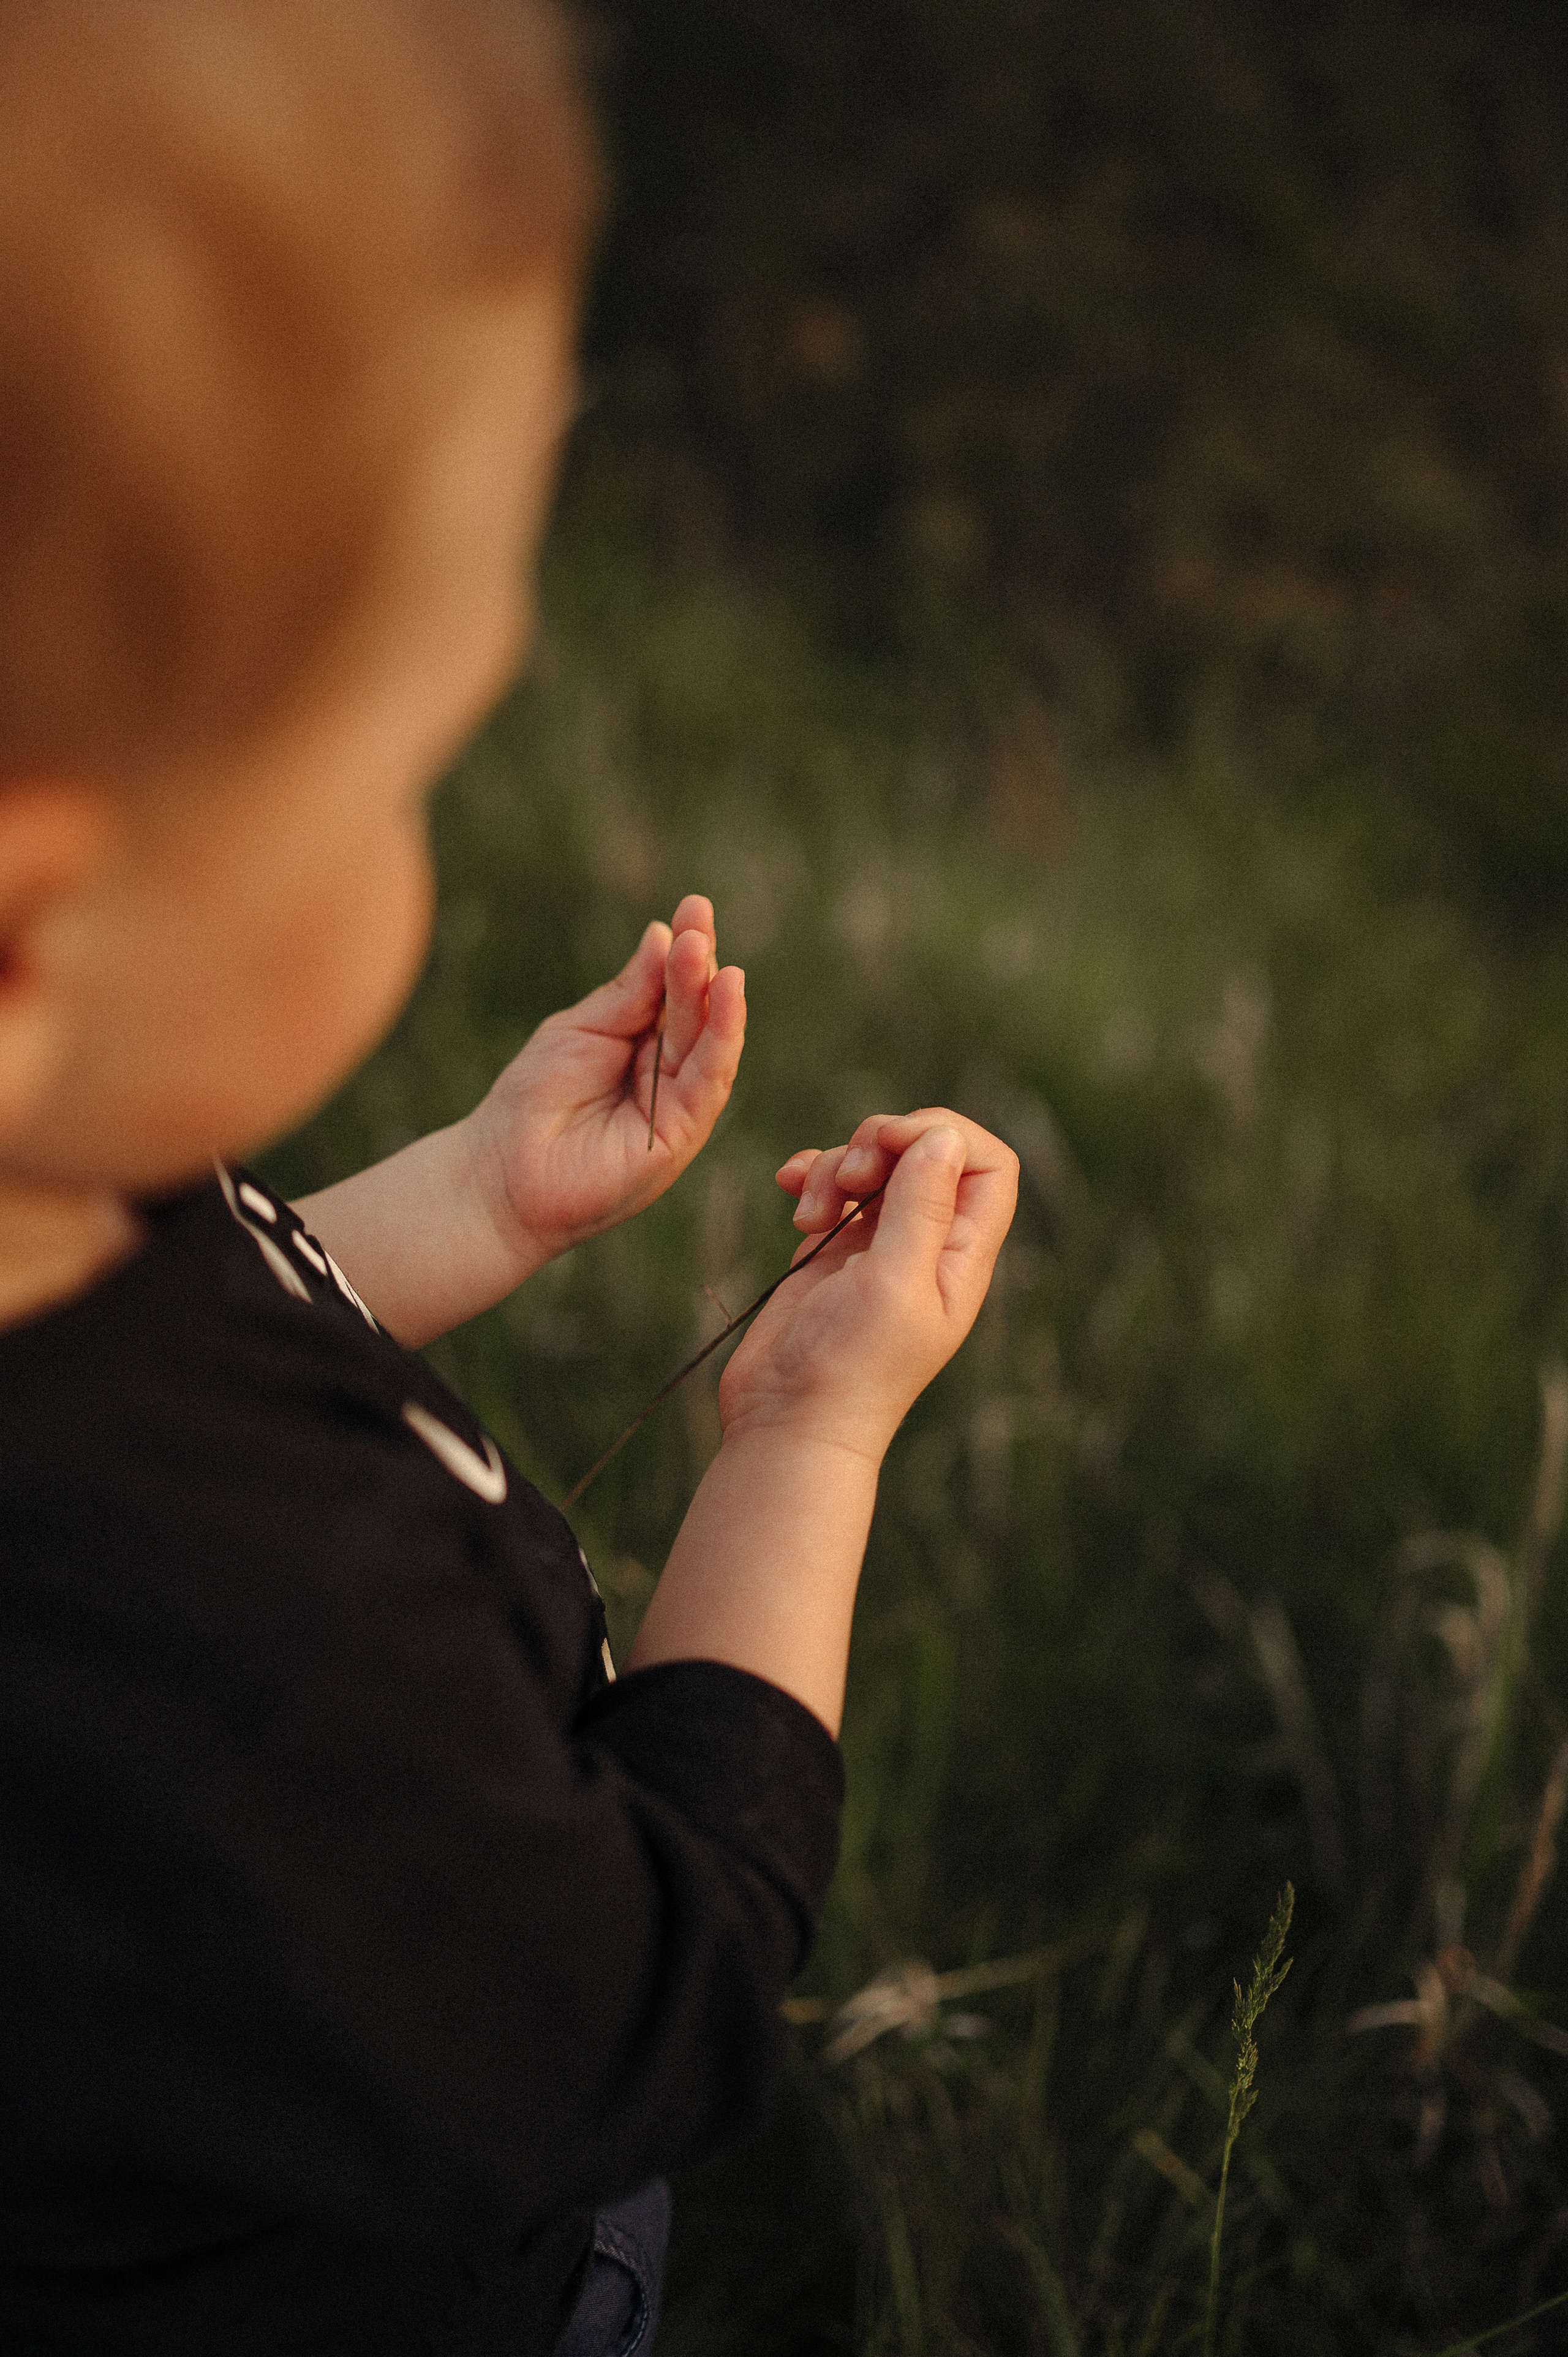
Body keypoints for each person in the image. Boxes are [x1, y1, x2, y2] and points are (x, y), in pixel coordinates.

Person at [0, 4, 1019, 2353]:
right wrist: (810, 1434)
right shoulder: (247, 1657)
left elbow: (209, 1305)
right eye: (396, 776)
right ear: (34, 931)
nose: (417, 843)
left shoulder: (49, 1198)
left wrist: (477, 1197)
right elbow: (656, 1984)